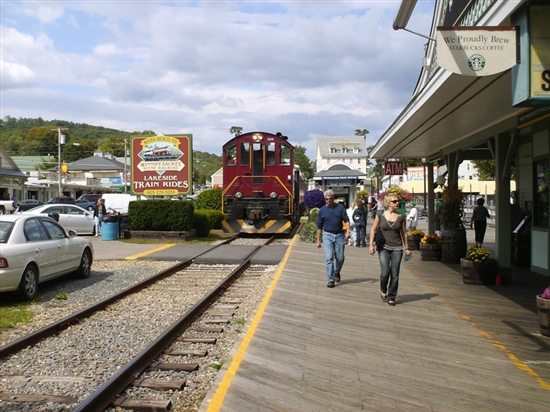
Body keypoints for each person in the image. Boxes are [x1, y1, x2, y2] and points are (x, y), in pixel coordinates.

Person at [369, 193, 411, 306]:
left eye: (397, 201)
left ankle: (392, 296)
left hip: (397, 247)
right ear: (388, 203)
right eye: (394, 201)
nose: (397, 203)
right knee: (385, 272)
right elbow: (373, 230)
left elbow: (404, 233)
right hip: (383, 247)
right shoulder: (380, 215)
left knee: (395, 274)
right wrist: (371, 245)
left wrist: (407, 248)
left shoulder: (401, 216)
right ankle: (383, 290)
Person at [316, 189, 351, 288]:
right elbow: (319, 227)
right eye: (326, 199)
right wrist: (318, 240)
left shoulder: (340, 208)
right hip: (327, 236)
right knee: (329, 258)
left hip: (339, 235)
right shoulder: (322, 210)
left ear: (333, 198)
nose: (328, 201)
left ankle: (336, 271)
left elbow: (347, 220)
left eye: (330, 199)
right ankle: (330, 279)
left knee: (340, 258)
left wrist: (348, 231)